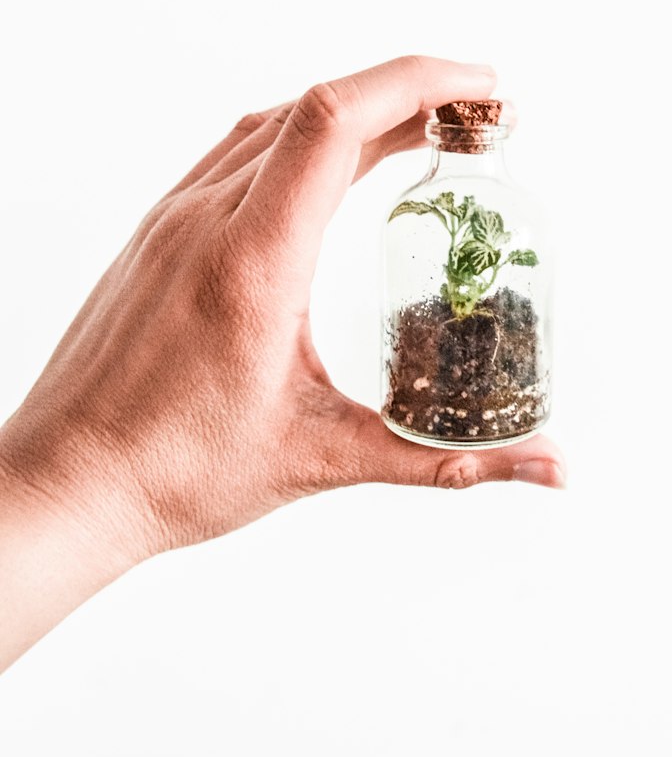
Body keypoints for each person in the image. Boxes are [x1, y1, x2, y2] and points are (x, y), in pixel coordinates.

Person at [0, 55, 566, 673]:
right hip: (422, 411)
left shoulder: (516, 211)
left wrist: (50, 485)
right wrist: (93, 484)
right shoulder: (416, 211)